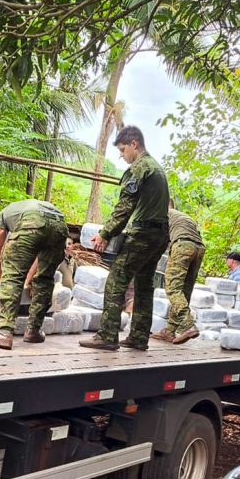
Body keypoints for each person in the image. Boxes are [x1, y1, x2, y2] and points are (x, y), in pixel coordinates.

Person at [80, 125, 169, 351]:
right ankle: (139, 337)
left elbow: (124, 207)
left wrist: (105, 233)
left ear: (134, 144)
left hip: (143, 234)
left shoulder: (140, 168)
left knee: (116, 279)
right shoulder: (157, 168)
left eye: (122, 149)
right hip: (160, 235)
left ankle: (107, 335)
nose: (121, 155)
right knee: (144, 284)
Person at [0, 199, 68, 350]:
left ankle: (4, 331)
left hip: (33, 221)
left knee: (13, 276)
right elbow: (38, 259)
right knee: (45, 279)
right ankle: (33, 331)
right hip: (60, 226)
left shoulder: (4, 214)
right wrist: (29, 281)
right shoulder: (27, 207)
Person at [152, 203, 206, 345]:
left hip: (182, 245)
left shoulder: (163, 214)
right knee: (185, 290)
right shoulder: (183, 217)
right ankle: (169, 330)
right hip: (199, 248)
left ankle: (188, 325)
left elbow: (158, 240)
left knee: (173, 288)